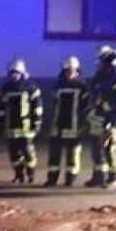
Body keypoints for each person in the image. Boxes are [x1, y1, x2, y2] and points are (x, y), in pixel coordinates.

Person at [86, 46, 116, 189]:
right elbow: (93, 90)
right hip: (98, 115)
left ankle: (113, 177)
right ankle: (99, 176)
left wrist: (107, 108)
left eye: (101, 59)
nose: (99, 62)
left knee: (110, 146)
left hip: (112, 117)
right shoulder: (100, 74)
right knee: (96, 146)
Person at [45, 56, 88, 187]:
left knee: (73, 153)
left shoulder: (82, 86)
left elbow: (86, 107)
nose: (69, 73)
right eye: (67, 70)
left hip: (74, 125)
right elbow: (53, 105)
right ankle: (52, 178)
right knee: (54, 153)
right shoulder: (57, 85)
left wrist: (83, 124)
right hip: (58, 124)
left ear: (77, 70)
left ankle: (70, 179)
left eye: (71, 70)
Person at [0, 59, 43, 185]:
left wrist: (37, 122)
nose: (14, 75)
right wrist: (1, 122)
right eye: (12, 73)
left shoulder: (31, 87)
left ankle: (30, 174)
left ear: (22, 73)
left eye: (16, 73)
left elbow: (37, 107)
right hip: (11, 126)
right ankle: (19, 175)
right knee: (13, 153)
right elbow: (2, 108)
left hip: (26, 126)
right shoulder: (6, 88)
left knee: (28, 151)